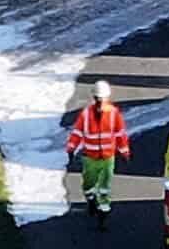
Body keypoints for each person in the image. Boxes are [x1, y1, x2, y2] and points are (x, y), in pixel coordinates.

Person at [66, 80, 130, 228]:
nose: (100, 102)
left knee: (104, 188)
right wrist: (71, 148)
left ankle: (103, 215)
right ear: (94, 98)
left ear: (107, 98)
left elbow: (120, 134)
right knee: (88, 185)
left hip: (108, 157)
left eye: (102, 99)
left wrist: (124, 151)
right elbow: (77, 132)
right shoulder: (86, 114)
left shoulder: (114, 114)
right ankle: (91, 200)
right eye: (98, 99)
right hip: (90, 158)